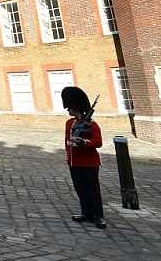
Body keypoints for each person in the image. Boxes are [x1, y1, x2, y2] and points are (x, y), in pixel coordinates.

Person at [62, 86, 106, 229]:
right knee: (79, 188)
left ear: (76, 107)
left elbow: (98, 143)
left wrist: (84, 142)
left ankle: (98, 216)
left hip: (89, 162)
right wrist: (69, 158)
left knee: (92, 189)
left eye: (70, 108)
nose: (68, 110)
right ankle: (86, 212)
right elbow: (67, 142)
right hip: (74, 162)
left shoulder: (92, 124)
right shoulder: (70, 123)